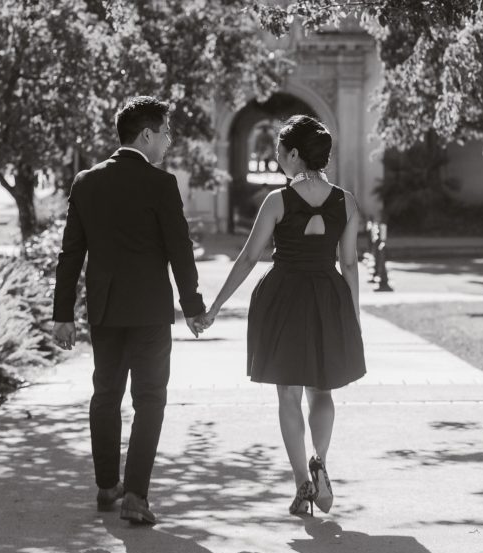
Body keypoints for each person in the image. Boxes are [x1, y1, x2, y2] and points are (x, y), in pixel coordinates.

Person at [197, 115, 366, 516]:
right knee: (322, 390)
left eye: (278, 149)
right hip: (327, 297)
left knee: (288, 394)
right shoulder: (346, 202)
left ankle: (302, 483)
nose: (276, 156)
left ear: (293, 155)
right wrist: (354, 317)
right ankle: (320, 461)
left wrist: (215, 306)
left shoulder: (277, 201)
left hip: (284, 298)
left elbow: (248, 258)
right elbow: (350, 263)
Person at [52, 95, 206, 526]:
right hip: (150, 311)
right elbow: (179, 251)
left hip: (104, 309)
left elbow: (70, 253)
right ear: (146, 135)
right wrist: (193, 307)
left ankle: (107, 486)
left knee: (106, 395)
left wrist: (62, 314)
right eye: (166, 133)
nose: (169, 141)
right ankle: (135, 495)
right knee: (150, 399)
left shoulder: (86, 182)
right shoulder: (161, 184)